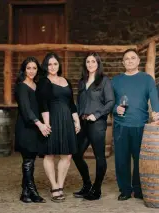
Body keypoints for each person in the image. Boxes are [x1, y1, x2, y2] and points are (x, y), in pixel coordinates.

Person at [112, 49, 159, 201]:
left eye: (133, 58)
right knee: (121, 159)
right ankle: (125, 190)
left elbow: (154, 98)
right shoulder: (116, 81)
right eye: (127, 59)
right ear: (123, 62)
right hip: (120, 125)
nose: (130, 61)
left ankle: (139, 189)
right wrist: (115, 108)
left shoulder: (147, 79)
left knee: (140, 159)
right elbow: (108, 102)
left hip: (140, 125)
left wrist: (157, 113)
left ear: (139, 61)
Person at [36, 52, 81, 202]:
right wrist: (46, 123)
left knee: (67, 155)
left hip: (67, 119)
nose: (53, 67)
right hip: (52, 118)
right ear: (45, 66)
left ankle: (60, 185)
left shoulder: (65, 80)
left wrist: (76, 121)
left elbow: (71, 103)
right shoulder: (44, 81)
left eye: (55, 64)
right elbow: (42, 103)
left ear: (59, 65)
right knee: (50, 154)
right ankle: (54, 186)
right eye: (49, 64)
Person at [72, 52, 115, 200]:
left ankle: (97, 189)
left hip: (97, 123)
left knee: (99, 157)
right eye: (88, 62)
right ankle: (87, 185)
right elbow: (79, 103)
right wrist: (77, 119)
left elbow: (110, 102)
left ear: (98, 63)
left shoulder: (104, 81)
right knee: (76, 154)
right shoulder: (82, 82)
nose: (90, 64)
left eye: (93, 61)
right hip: (82, 123)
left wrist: (96, 115)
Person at [14, 57, 51, 203]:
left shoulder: (36, 85)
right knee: (28, 160)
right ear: (24, 70)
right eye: (28, 68)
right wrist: (39, 124)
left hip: (35, 127)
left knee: (30, 160)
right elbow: (26, 109)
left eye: (34, 68)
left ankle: (25, 193)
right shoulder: (21, 86)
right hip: (26, 127)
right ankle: (33, 191)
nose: (31, 71)